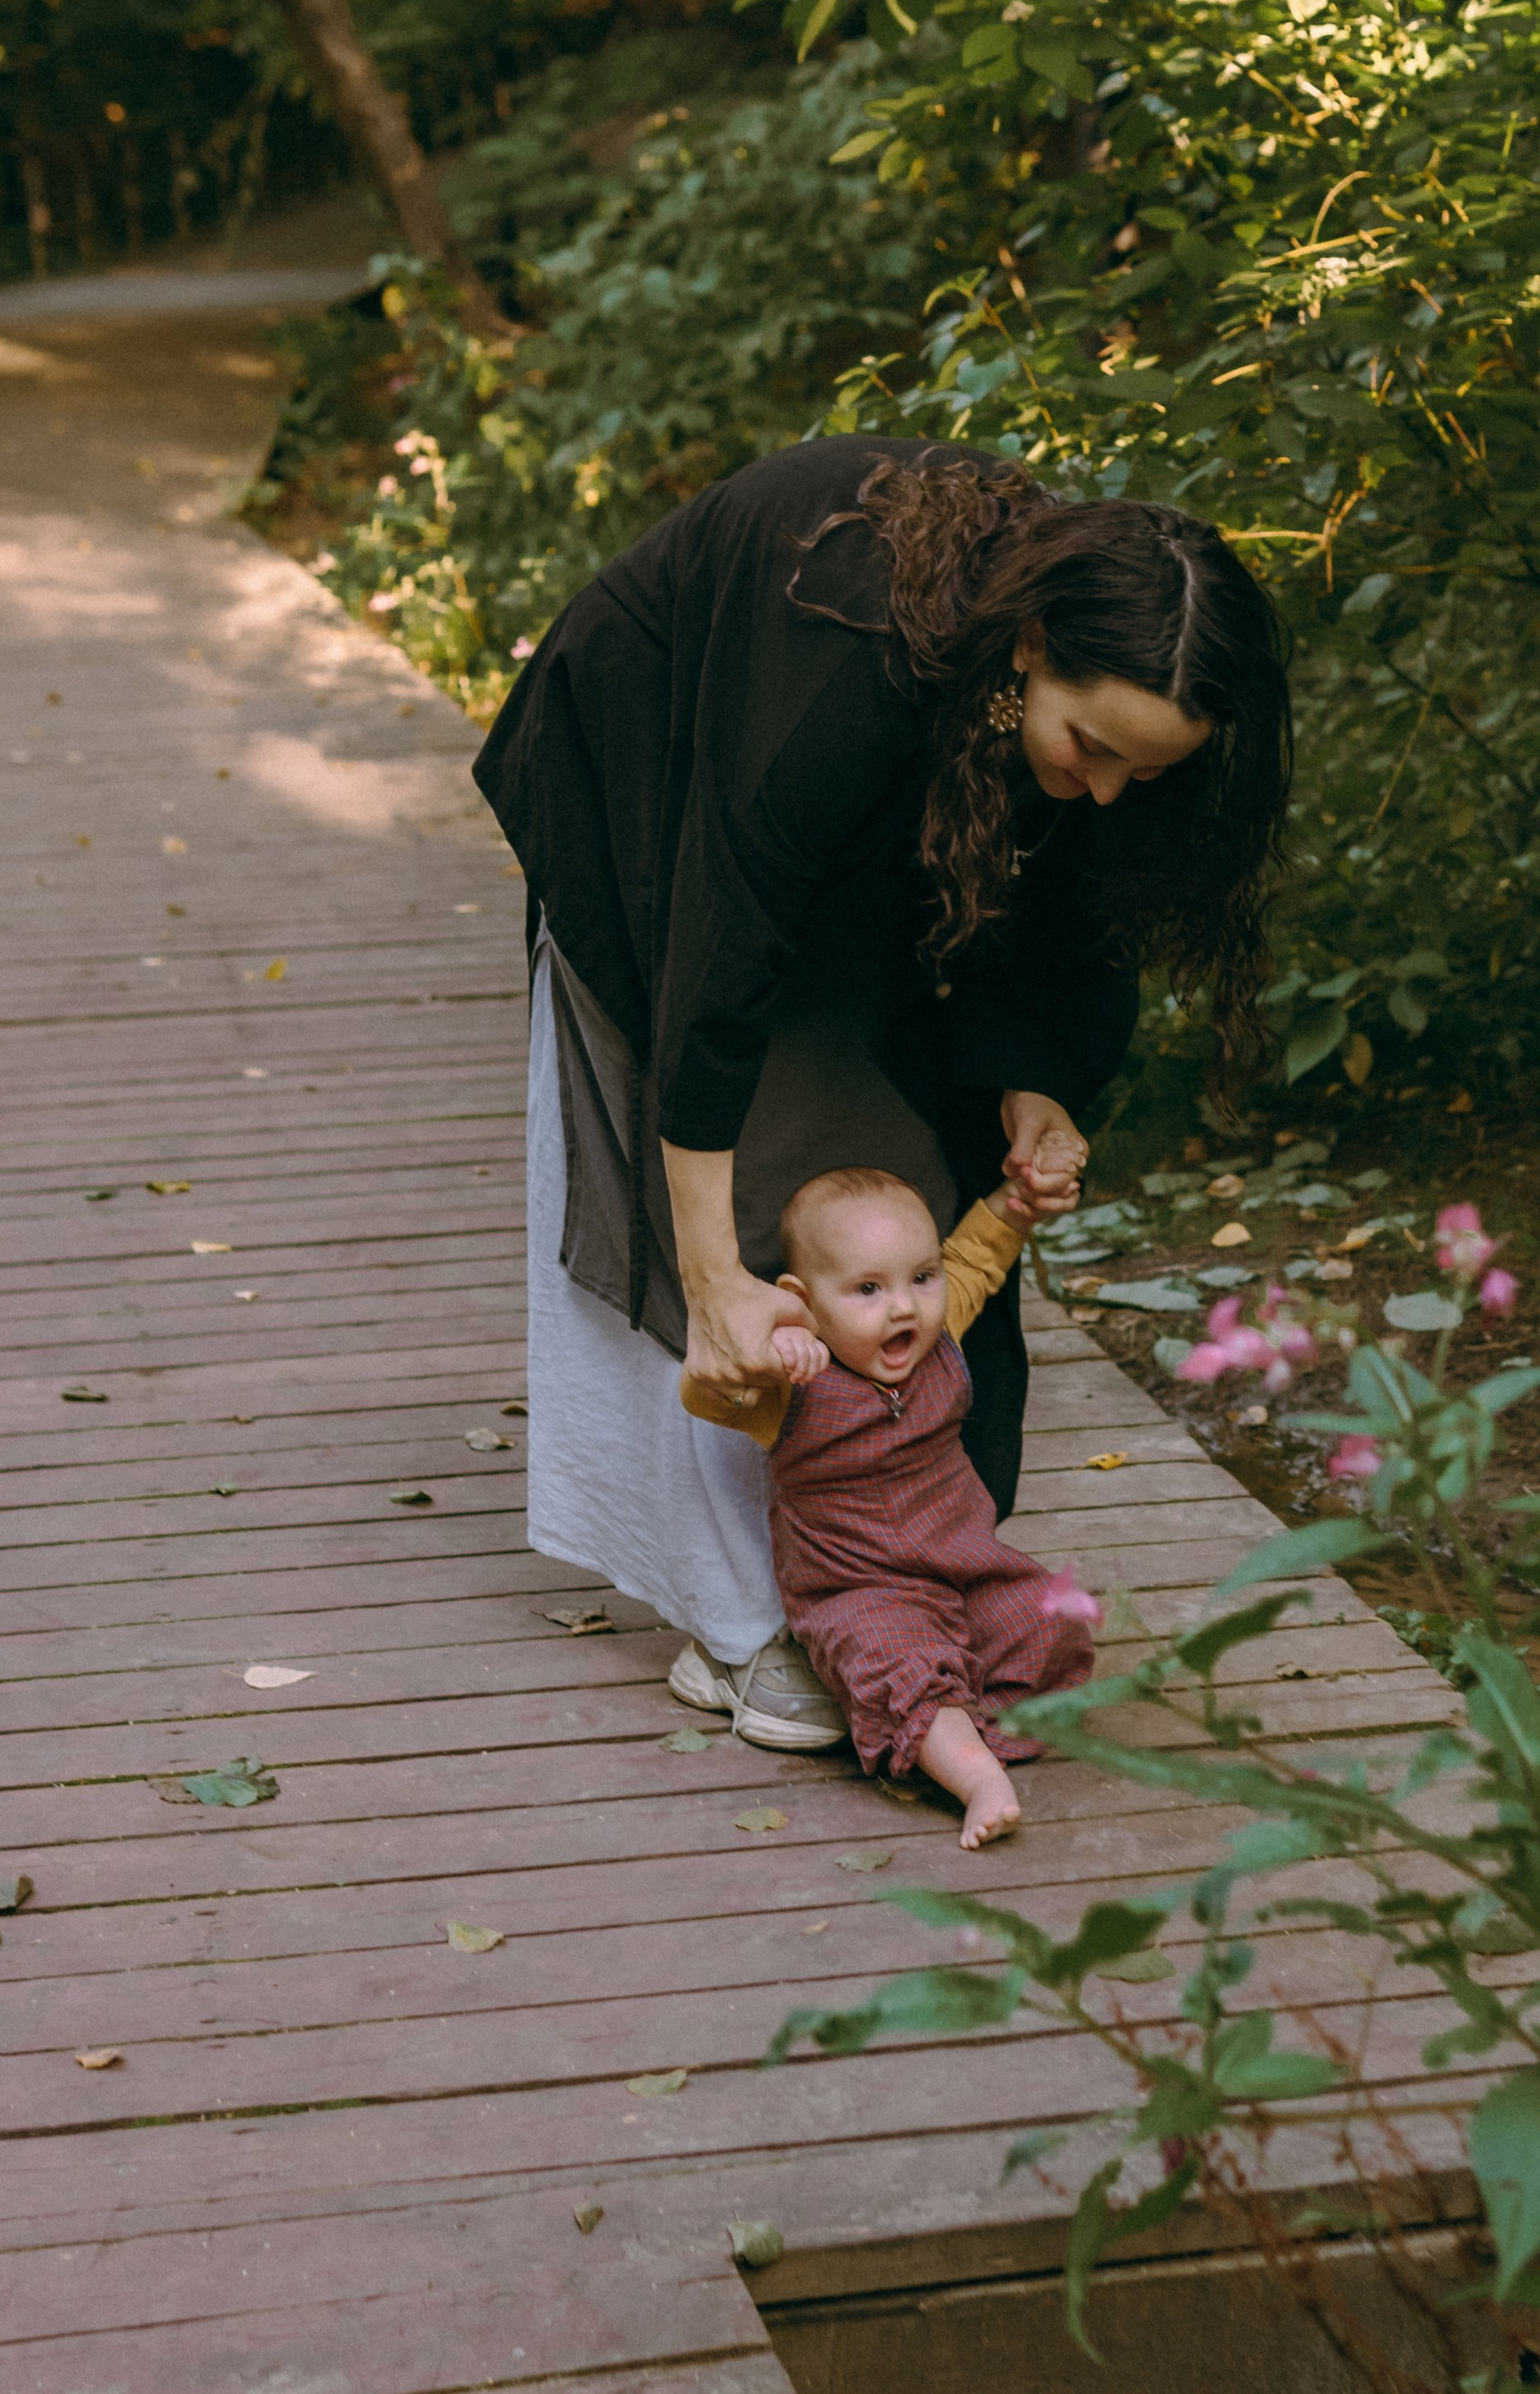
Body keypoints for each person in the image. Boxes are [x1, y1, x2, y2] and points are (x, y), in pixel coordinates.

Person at [475, 437, 1292, 1750]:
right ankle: (737, 1623)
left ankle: (899, 1563)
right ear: (1029, 645)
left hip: (856, 815)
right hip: (647, 775)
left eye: (1147, 770)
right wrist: (718, 1284)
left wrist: (1037, 1084)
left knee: (896, 1151)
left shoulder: (1061, 717)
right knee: (739, 1215)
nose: (1107, 787)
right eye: (1092, 745)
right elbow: (719, 960)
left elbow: (1064, 902)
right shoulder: (846, 663)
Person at [688, 1164, 1089, 1846]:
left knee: (1049, 1621)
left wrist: (1014, 1205)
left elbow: (979, 1256)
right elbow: (705, 1394)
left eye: (920, 1278)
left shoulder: (941, 1337)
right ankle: (970, 1769)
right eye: (868, 1289)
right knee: (901, 1662)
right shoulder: (792, 1384)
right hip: (859, 1588)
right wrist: (765, 1348)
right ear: (802, 1299)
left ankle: (939, 1715)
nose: (904, 1307)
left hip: (965, 1563)